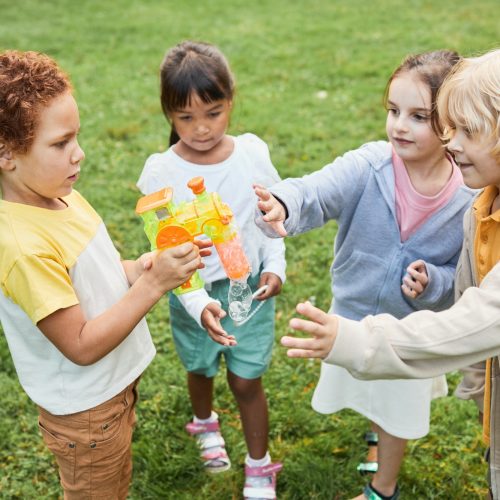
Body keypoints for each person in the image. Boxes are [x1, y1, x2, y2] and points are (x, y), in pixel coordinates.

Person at [277, 49, 500, 499]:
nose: (400, 125)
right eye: (393, 111)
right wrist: (283, 203)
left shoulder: (465, 198)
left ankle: (384, 486)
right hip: (361, 317)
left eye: (421, 117)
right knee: (371, 396)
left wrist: (430, 284)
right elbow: (319, 189)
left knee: (395, 406)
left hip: (410, 333)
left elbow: (469, 306)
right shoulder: (477, 199)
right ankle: (379, 438)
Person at [0, 50, 208, 499]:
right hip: (86, 412)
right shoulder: (22, 248)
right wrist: (154, 287)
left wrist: (144, 268)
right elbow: (79, 344)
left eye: (76, 137)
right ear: (6, 154)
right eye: (60, 144)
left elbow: (102, 273)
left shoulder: (59, 195)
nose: (79, 153)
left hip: (109, 395)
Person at [136, 41, 286, 499]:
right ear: (167, 113)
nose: (201, 129)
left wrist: (275, 266)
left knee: (246, 378)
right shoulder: (161, 173)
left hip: (248, 290)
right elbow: (167, 255)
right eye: (186, 117)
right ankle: (204, 422)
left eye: (214, 113)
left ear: (231, 102)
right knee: (199, 366)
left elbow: (271, 218)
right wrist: (199, 304)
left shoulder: (252, 154)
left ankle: (259, 465)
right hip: (193, 293)